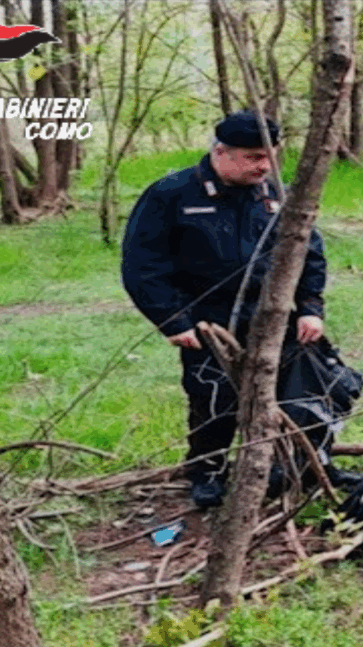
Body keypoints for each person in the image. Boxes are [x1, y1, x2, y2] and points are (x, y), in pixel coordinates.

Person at [121, 110, 339, 509]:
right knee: (214, 400)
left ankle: (282, 467)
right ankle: (208, 472)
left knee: (292, 394)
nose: (264, 166)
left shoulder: (277, 196)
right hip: (206, 320)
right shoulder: (171, 195)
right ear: (221, 152)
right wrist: (173, 320)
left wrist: (310, 306)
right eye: (254, 157)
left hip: (272, 316)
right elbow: (142, 265)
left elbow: (310, 252)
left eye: (270, 156)